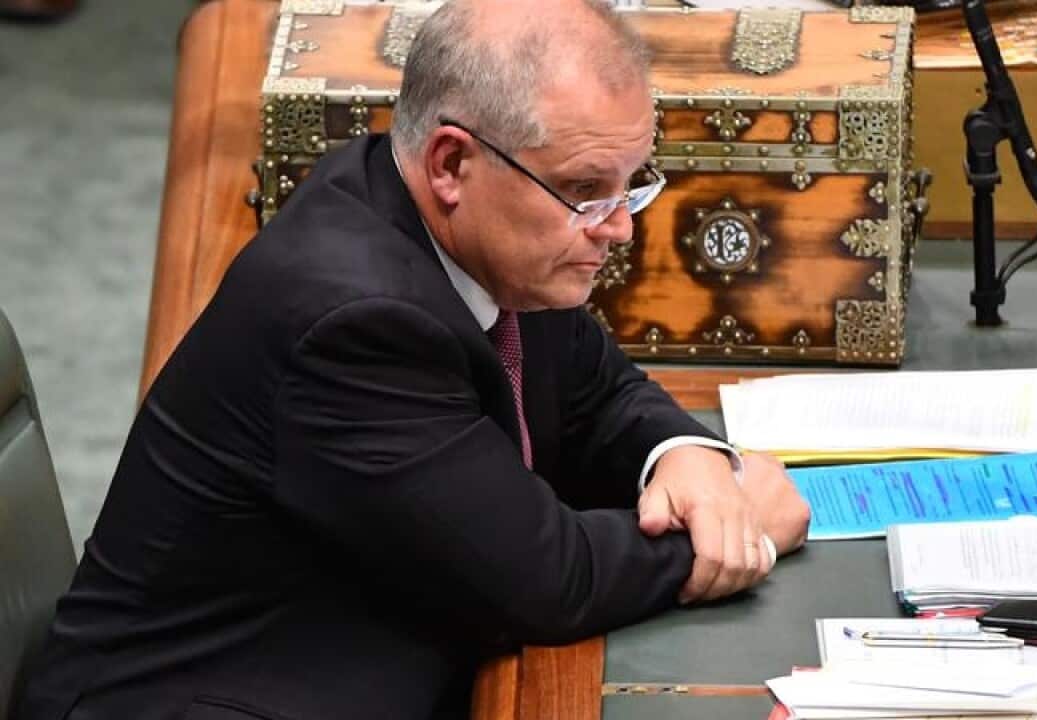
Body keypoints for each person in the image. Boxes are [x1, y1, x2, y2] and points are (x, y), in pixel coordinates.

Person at [17, 0, 811, 718]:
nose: (620, 227)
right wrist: (743, 531)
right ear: (451, 164)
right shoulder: (356, 323)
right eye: (586, 190)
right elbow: (543, 580)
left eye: (630, 185)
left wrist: (693, 460)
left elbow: (596, 390)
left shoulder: (485, 236)